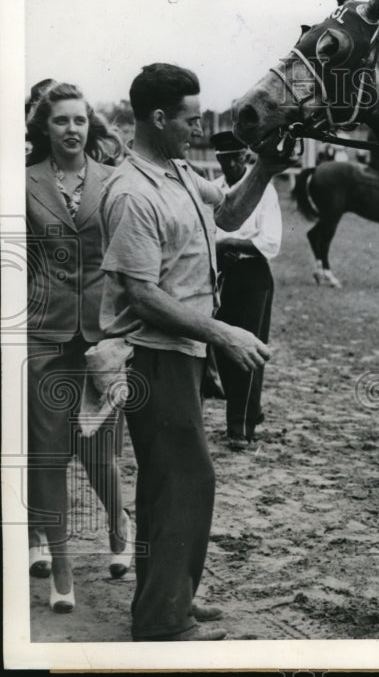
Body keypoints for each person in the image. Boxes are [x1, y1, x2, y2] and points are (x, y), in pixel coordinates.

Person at [99, 63, 291, 641]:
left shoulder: (179, 171)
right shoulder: (133, 193)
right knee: (186, 478)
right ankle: (162, 620)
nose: (199, 126)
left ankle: (172, 593)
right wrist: (224, 332)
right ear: (158, 118)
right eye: (190, 118)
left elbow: (229, 211)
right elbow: (143, 295)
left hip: (178, 351)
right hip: (152, 354)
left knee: (168, 480)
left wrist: (267, 165)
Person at [24, 82, 133, 614]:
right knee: (45, 455)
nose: (72, 129)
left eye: (80, 121)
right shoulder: (22, 183)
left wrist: (121, 329)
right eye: (61, 121)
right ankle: (61, 568)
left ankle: (118, 525)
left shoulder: (113, 182)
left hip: (101, 337)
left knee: (98, 452)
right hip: (43, 334)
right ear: (44, 128)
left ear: (91, 127)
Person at [209, 130, 282, 451]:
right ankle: (247, 409)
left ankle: (241, 427)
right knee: (222, 346)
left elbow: (270, 242)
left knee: (249, 348)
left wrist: (227, 242)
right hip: (219, 273)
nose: (234, 166)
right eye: (227, 160)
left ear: (247, 157)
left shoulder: (264, 192)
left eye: (238, 159)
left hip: (252, 274)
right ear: (220, 161)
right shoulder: (213, 190)